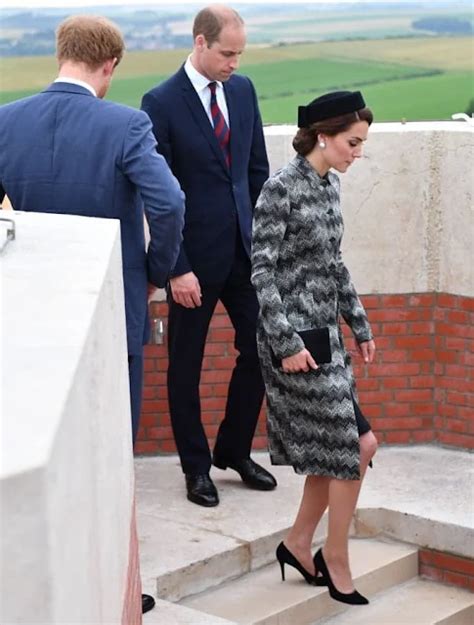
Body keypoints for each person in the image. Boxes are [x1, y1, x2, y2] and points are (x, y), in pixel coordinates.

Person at [0, 15, 185, 614]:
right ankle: (116, 586)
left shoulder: (6, 119)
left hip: (29, 310)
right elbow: (170, 200)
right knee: (110, 450)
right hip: (112, 308)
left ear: (61, 55)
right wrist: (156, 271)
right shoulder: (127, 123)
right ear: (110, 66)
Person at [141, 4, 277, 507]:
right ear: (200, 43)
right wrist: (175, 266)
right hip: (191, 262)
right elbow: (158, 196)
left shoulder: (242, 91)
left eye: (239, 54)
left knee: (263, 350)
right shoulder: (160, 102)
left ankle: (234, 451)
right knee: (185, 368)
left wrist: (265, 245)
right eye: (226, 53)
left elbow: (256, 171)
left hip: (245, 254)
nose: (234, 64)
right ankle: (195, 469)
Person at [251, 91, 378, 606]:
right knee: (355, 448)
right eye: (353, 142)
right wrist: (284, 343)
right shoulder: (280, 189)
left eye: (362, 144)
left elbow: (334, 263)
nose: (358, 152)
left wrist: (360, 323)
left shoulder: (331, 188)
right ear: (323, 135)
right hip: (293, 345)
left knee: (339, 451)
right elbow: (261, 272)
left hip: (328, 338)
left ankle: (299, 543)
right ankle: (335, 557)